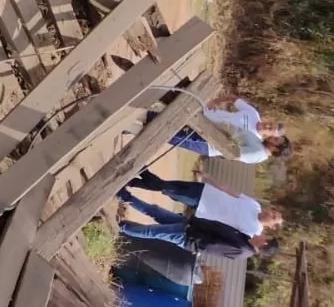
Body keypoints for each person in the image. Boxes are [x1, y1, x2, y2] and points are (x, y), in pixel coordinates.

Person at [120, 170, 284, 237]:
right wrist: (209, 177)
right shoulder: (255, 205)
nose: (270, 213)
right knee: (168, 186)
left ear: (271, 226)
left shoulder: (253, 230)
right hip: (205, 190)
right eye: (273, 212)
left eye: (273, 217)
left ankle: (139, 173)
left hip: (203, 206)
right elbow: (229, 191)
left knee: (167, 189)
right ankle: (133, 179)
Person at [117, 198, 280, 261]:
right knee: (156, 211)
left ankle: (120, 225)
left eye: (266, 237)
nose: (263, 234)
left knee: (151, 231)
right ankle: (125, 196)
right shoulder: (246, 239)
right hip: (192, 226)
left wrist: (193, 231)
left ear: (265, 243)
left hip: (189, 235)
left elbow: (212, 243)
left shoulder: (242, 249)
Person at [168, 94, 287, 163]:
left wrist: (215, 137)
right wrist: (215, 102)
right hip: (205, 123)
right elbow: (232, 98)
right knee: (171, 118)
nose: (272, 137)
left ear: (276, 150)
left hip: (207, 141)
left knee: (170, 131)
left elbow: (235, 154)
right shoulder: (259, 143)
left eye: (275, 140)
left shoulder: (258, 153)